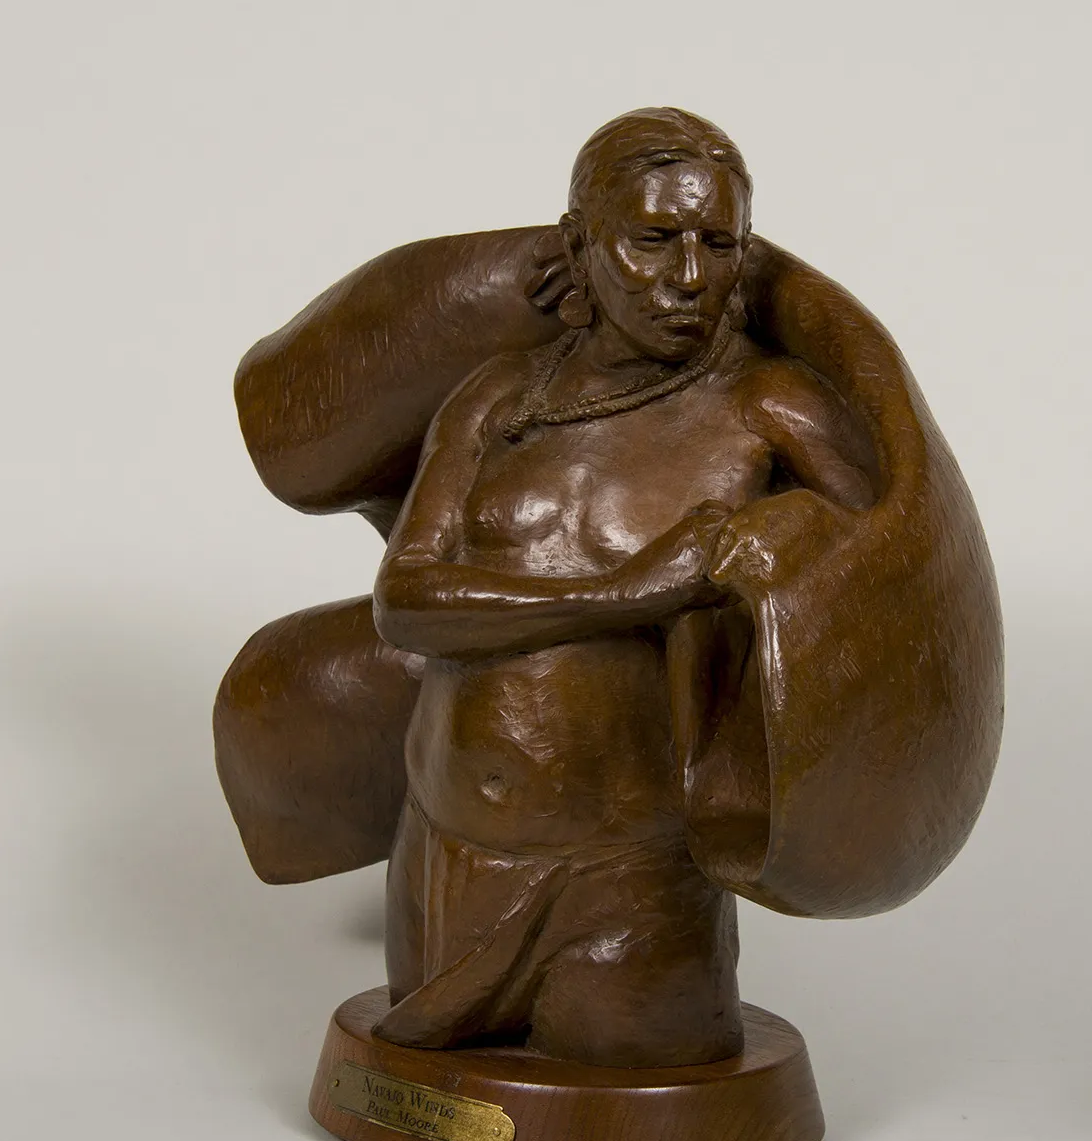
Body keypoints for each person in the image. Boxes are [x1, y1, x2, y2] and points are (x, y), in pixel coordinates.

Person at [368, 109, 878, 1065]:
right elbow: (405, 599)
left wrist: (776, 554)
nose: (688, 277)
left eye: (717, 244)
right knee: (426, 1064)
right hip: (449, 854)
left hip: (637, 868)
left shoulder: (771, 408)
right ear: (580, 247)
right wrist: (627, 594)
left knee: (637, 1065)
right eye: (652, 239)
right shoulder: (498, 396)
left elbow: (883, 582)